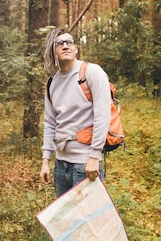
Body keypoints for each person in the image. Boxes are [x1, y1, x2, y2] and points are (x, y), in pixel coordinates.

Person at [39, 28, 111, 197]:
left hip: (85, 164)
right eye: (59, 43)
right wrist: (45, 161)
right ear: (53, 50)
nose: (65, 46)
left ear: (75, 49)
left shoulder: (92, 72)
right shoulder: (52, 82)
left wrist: (94, 157)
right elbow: (50, 123)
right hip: (60, 164)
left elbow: (102, 115)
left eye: (69, 42)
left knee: (89, 220)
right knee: (66, 221)